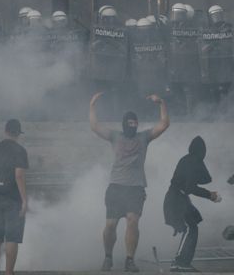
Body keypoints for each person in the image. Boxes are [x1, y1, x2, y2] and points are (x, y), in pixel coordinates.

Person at [90, 91, 170, 272]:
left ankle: (129, 259)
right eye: (130, 123)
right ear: (124, 124)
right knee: (110, 225)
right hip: (116, 186)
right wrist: (92, 106)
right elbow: (94, 126)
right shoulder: (115, 136)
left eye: (135, 123)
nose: (133, 126)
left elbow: (164, 124)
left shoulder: (143, 137)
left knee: (133, 221)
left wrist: (161, 103)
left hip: (135, 188)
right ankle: (108, 256)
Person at [163, 136, 221, 272]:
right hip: (176, 200)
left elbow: (205, 178)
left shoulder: (189, 160)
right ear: (202, 151)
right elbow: (190, 187)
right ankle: (179, 262)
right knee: (190, 228)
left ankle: (183, 262)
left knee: (192, 226)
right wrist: (209, 195)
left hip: (178, 199)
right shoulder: (192, 161)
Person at [0, 119, 28, 275]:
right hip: (13, 199)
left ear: (5, 131)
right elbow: (19, 176)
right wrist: (24, 201)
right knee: (11, 238)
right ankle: (9, 273)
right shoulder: (20, 150)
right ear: (18, 134)